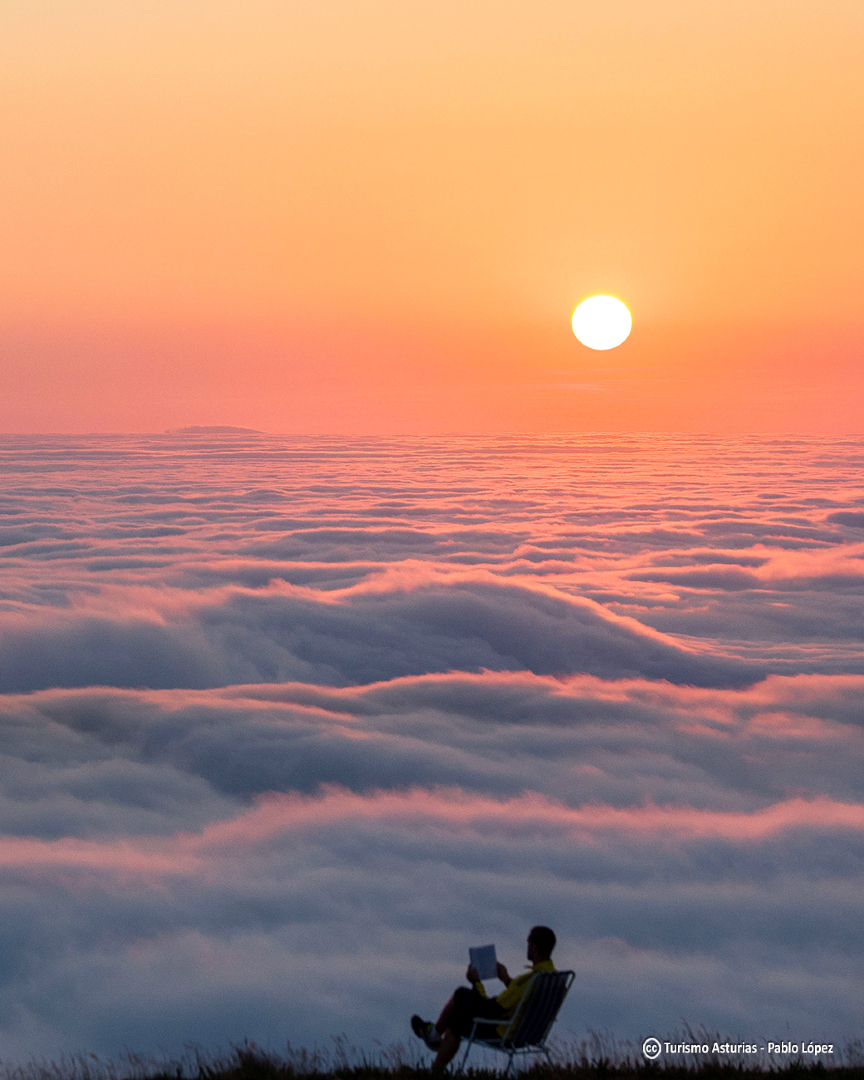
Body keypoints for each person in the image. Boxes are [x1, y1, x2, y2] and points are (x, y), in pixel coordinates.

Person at [411, 925, 557, 1071]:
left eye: (528, 943)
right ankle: (435, 1046)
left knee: (460, 995)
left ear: (535, 947)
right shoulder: (555, 980)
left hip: (505, 1033)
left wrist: (476, 982)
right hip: (530, 1035)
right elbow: (525, 999)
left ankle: (435, 1041)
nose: (527, 947)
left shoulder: (529, 980)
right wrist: (506, 980)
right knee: (458, 1018)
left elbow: (491, 1009)